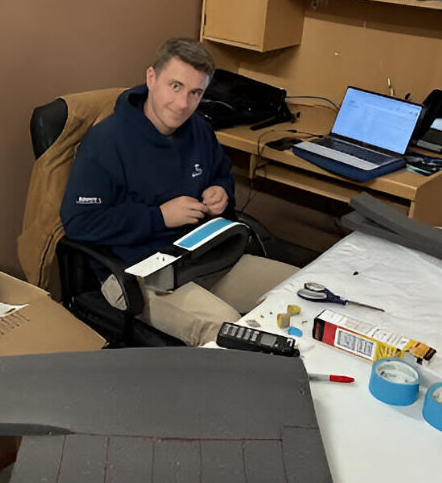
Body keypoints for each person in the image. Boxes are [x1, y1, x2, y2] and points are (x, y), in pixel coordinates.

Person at [60, 38, 297, 345]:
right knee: (230, 332)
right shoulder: (106, 142)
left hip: (203, 258)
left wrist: (220, 193)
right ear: (151, 78)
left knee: (297, 292)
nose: (184, 103)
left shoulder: (199, 130)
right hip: (137, 273)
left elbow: (221, 177)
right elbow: (79, 223)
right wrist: (158, 218)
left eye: (195, 93)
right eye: (175, 86)